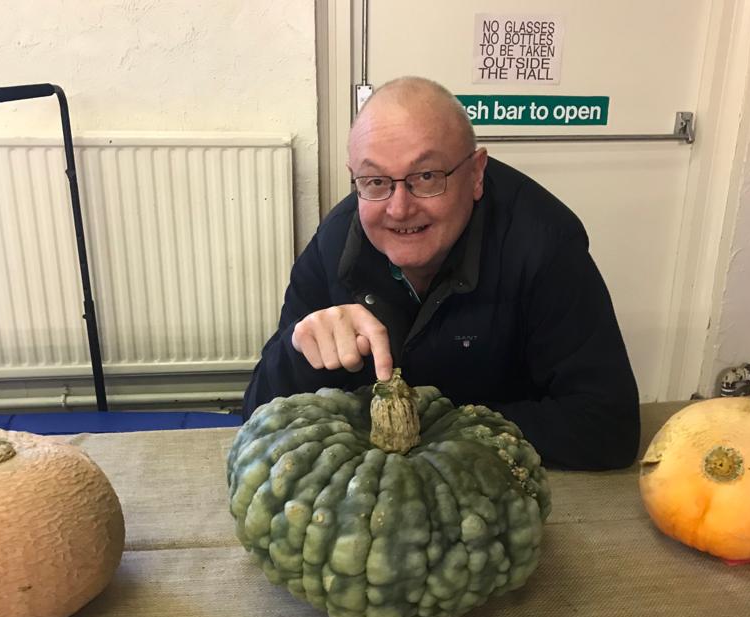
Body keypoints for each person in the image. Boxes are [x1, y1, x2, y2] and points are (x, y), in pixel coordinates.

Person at [242, 76, 640, 470]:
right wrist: (298, 354)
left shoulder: (544, 245)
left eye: (427, 177)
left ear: (476, 173)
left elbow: (607, 426)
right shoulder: (335, 243)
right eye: (375, 181)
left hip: (498, 482)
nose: (399, 209)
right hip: (371, 490)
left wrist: (433, 429)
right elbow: (258, 414)